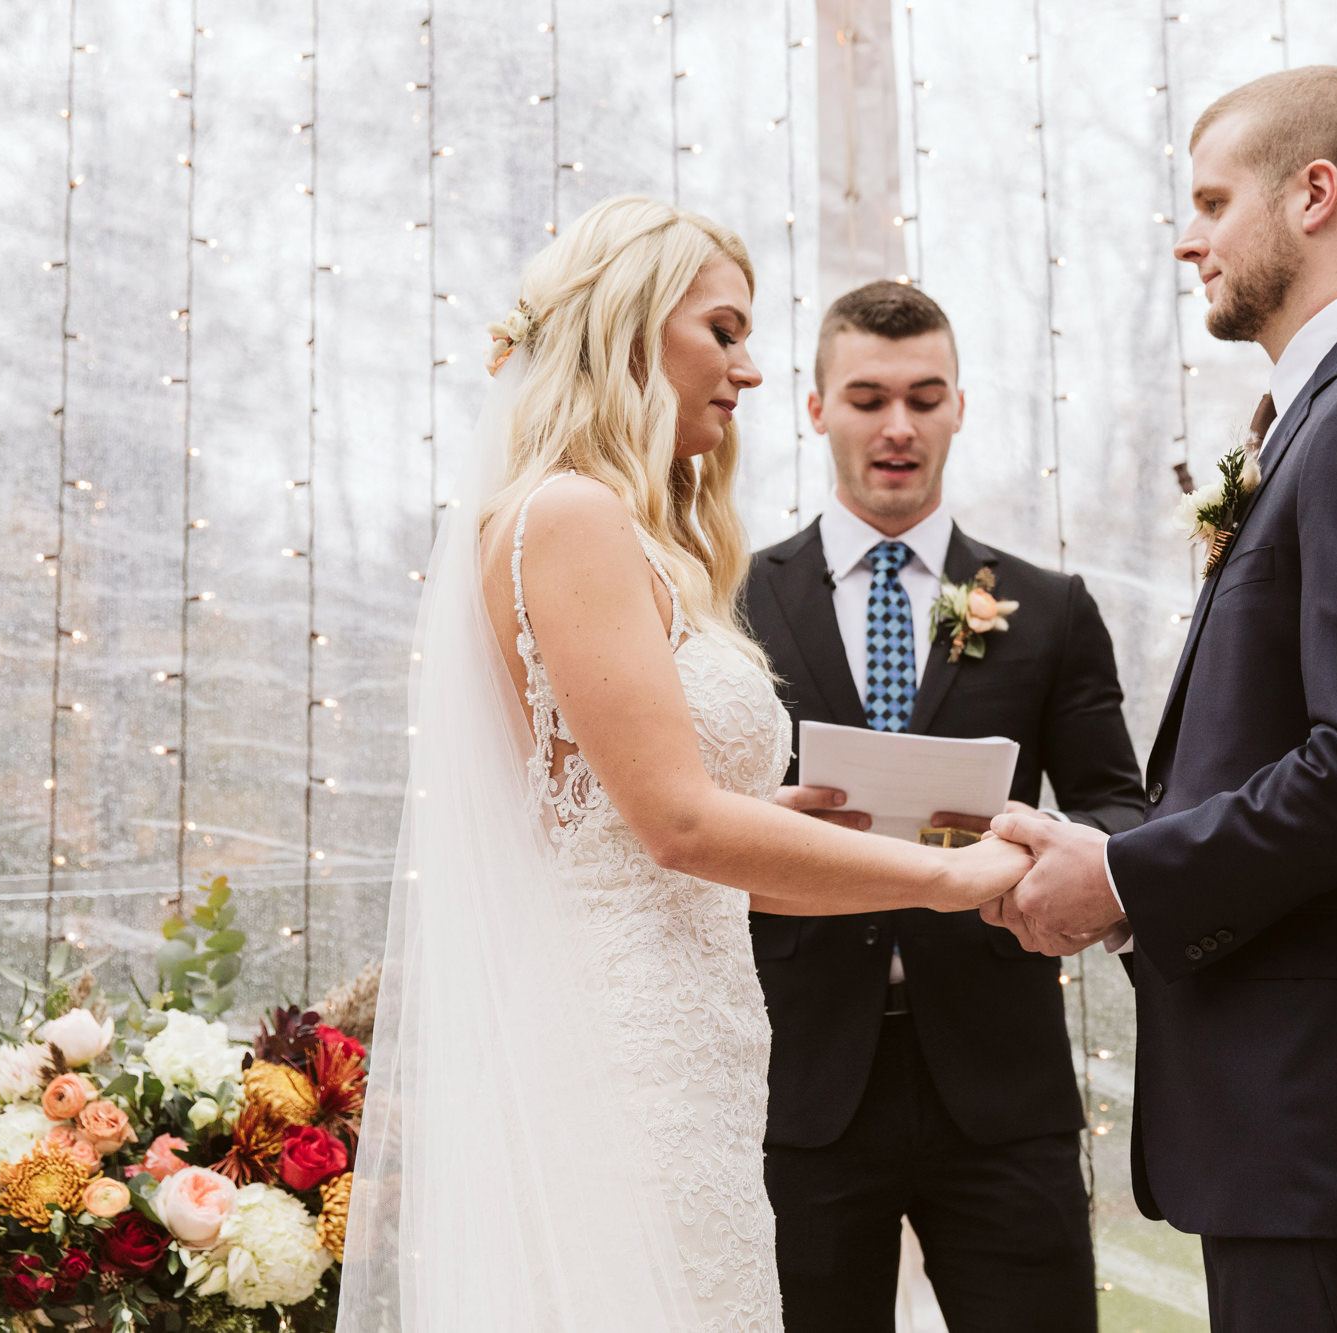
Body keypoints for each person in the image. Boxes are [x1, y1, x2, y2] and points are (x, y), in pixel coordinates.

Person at [337, 196, 1033, 1333]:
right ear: (629, 327)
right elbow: (677, 828)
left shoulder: (630, 530)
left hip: (695, 1058)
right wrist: (951, 874)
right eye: (723, 330)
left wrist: (788, 822)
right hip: (622, 1059)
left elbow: (698, 837)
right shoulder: (568, 516)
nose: (749, 371)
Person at [984, 67, 1337, 1333]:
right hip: (1311, 1145)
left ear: (1314, 196)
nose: (1188, 237)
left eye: (1211, 201)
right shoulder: (1335, 415)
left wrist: (1123, 875)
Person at [743, 281, 1145, 1331]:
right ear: (814, 406)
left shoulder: (1050, 608)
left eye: (924, 397)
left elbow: (1114, 802)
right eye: (867, 396)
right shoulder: (733, 603)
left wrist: (1052, 848)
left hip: (1000, 1076)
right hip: (795, 1076)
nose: (896, 426)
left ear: (958, 406)